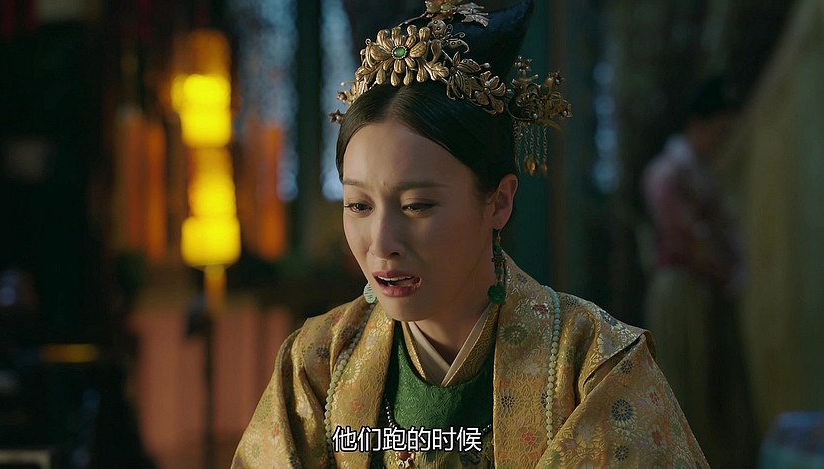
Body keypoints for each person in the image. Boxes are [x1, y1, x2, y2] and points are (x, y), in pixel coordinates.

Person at [234, 1, 707, 467]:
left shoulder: (595, 368)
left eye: (418, 206)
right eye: (359, 206)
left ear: (498, 202)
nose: (381, 243)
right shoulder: (316, 364)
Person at [643, 77, 753, 466]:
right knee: (688, 383)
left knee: (718, 391)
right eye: (719, 131)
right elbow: (690, 239)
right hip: (682, 290)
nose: (723, 141)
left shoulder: (702, 176)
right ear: (698, 125)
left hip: (709, 289)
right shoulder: (668, 174)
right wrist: (725, 271)